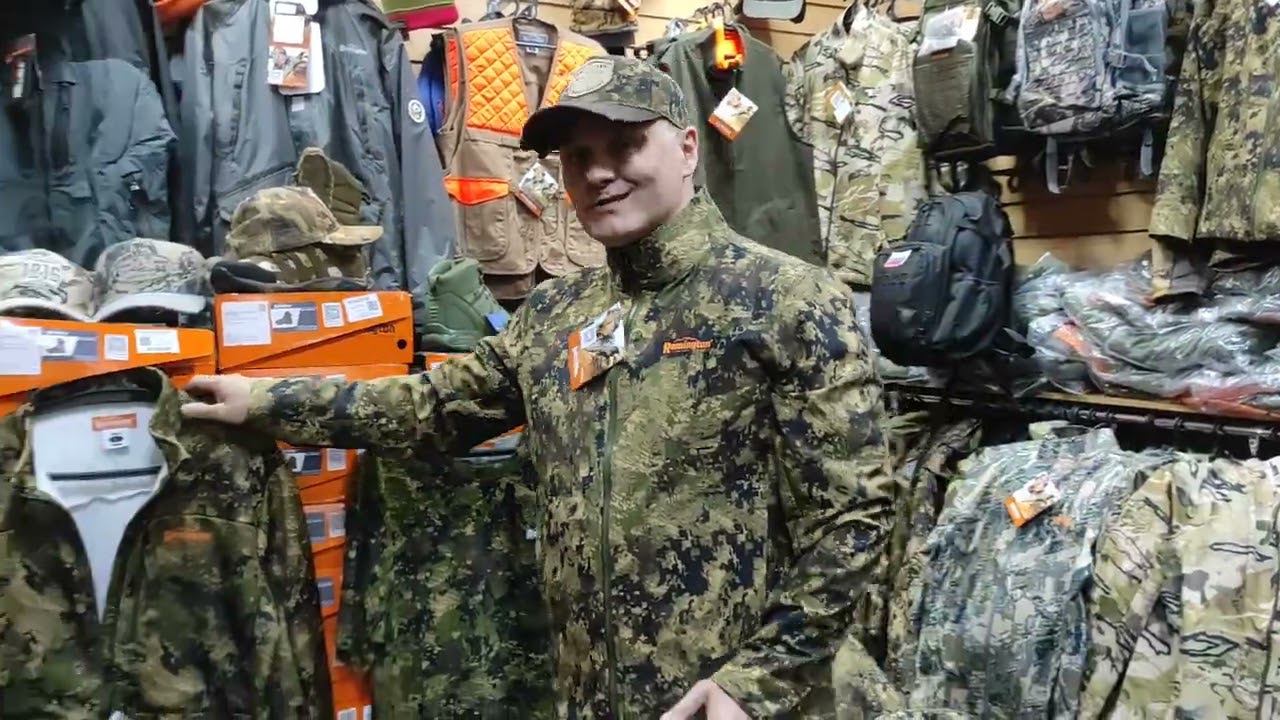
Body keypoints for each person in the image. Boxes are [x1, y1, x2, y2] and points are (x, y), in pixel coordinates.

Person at [182, 55, 894, 719]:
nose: (599, 173)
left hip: (748, 701)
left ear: (686, 148)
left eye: (624, 146)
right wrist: (264, 401)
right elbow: (431, 407)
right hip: (594, 696)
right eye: (577, 157)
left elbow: (854, 514)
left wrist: (757, 680)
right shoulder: (556, 314)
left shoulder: (785, 299)